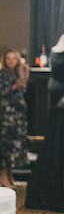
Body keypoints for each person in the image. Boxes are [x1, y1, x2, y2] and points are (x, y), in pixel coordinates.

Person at [0, 49, 30, 187]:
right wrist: (14, 86)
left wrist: (25, 74)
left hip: (18, 114)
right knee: (7, 145)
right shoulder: (2, 74)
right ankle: (3, 175)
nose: (11, 60)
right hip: (7, 114)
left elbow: (23, 90)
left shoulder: (17, 73)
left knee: (15, 145)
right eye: (8, 58)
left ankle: (10, 173)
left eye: (13, 58)